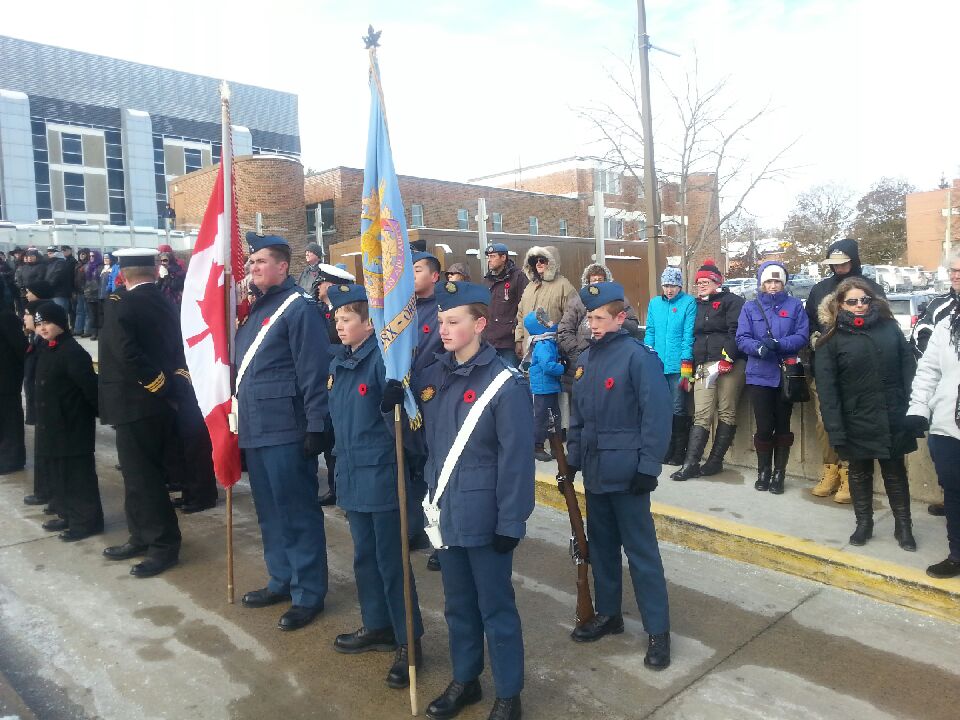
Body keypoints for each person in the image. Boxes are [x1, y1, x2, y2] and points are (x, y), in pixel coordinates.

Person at [415, 280, 534, 720]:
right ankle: (466, 679)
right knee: (457, 606)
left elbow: (517, 460)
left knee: (496, 607)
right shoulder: (434, 376)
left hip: (485, 517)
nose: (443, 329)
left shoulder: (505, 383)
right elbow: (425, 445)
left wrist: (511, 522)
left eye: (453, 321)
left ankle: (508, 694)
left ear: (480, 324)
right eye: (441, 321)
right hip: (444, 512)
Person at [566, 281, 673, 670]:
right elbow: (578, 419)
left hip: (628, 476)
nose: (591, 325)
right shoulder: (586, 361)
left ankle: (658, 632)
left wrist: (648, 467)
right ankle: (609, 614)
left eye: (598, 318)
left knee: (642, 555)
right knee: (602, 549)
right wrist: (572, 462)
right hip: (595, 473)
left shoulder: (638, 358)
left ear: (620, 317)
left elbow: (657, 417)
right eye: (589, 317)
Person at [326, 283, 425, 690]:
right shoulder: (340, 364)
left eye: (347, 319)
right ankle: (378, 626)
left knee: (392, 562)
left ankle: (409, 642)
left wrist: (395, 405)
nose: (339, 326)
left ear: (370, 324)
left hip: (383, 475)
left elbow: (406, 428)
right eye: (336, 319)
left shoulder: (384, 363)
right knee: (365, 558)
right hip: (352, 472)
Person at [235, 233, 331, 631]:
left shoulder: (298, 307)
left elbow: (312, 371)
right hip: (256, 426)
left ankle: (309, 592)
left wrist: (316, 426)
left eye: (260, 262)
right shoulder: (257, 309)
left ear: (282, 266)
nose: (252, 268)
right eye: (251, 263)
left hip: (287, 428)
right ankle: (282, 579)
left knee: (296, 513)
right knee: (270, 512)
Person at [98, 248, 186, 578]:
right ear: (151, 269)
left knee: (143, 478)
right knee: (138, 476)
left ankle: (163, 544)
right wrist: (169, 390)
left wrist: (157, 386)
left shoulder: (123, 303)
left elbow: (125, 353)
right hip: (156, 402)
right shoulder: (163, 299)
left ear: (123, 273)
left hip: (136, 402)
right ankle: (140, 535)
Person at [815, 277, 918, 550]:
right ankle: (864, 523)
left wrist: (914, 410)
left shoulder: (890, 329)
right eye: (852, 301)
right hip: (854, 418)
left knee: (895, 473)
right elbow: (828, 391)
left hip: (891, 415)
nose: (860, 305)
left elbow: (909, 369)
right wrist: (835, 429)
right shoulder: (830, 339)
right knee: (859, 474)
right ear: (840, 305)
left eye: (864, 300)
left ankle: (903, 526)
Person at [805, 239, 885, 502]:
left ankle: (853, 474)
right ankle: (831, 470)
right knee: (825, 421)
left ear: (854, 259)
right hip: (825, 366)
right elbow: (808, 325)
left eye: (844, 262)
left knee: (855, 422)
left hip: (860, 370)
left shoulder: (870, 289)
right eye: (834, 263)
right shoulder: (818, 290)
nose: (839, 268)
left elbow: (883, 326)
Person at [31, 302, 104, 541]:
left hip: (71, 423)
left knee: (77, 476)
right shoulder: (47, 348)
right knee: (59, 473)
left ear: (61, 323)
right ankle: (66, 512)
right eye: (40, 324)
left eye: (48, 323)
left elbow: (89, 388)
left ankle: (86, 521)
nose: (43, 329)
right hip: (52, 423)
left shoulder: (72, 352)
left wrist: (97, 413)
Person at [735, 261, 810, 494]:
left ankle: (780, 473)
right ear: (761, 283)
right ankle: (763, 470)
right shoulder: (750, 307)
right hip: (759, 374)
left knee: (783, 425)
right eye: (769, 281)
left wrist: (780, 344)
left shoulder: (795, 305)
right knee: (764, 425)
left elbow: (802, 336)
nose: (773, 285)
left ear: (784, 283)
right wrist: (757, 348)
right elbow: (741, 337)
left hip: (785, 374)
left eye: (777, 281)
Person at [672, 259, 746, 480]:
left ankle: (715, 461)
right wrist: (689, 367)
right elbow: (689, 334)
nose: (701, 285)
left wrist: (728, 357)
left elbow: (736, 331)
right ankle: (691, 463)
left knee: (726, 410)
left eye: (706, 281)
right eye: (698, 282)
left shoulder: (733, 302)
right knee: (702, 413)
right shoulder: (695, 305)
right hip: (703, 364)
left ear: (717, 282)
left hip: (729, 364)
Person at [907, 310, 960, 578]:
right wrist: (919, 408)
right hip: (948, 423)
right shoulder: (949, 323)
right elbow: (929, 370)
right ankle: (957, 554)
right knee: (954, 490)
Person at [909, 250, 960, 516]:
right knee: (946, 461)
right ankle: (949, 497)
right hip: (945, 401)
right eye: (953, 270)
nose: (955, 275)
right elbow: (919, 340)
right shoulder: (939, 305)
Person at [311, 262, 356, 506]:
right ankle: (335, 488)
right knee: (331, 443)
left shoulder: (343, 312)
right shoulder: (324, 311)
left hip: (343, 379)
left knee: (341, 440)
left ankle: (342, 489)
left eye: (323, 282)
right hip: (327, 382)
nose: (319, 286)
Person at [642, 266, 696, 465]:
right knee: (659, 409)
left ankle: (679, 450)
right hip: (657, 364)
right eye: (665, 285)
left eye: (673, 285)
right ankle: (664, 447)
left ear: (679, 286)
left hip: (677, 366)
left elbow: (688, 337)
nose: (669, 289)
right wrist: (648, 358)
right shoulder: (655, 303)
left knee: (677, 407)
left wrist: (686, 370)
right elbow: (650, 332)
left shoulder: (688, 303)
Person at [410, 250, 443, 561]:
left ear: (434, 276)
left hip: (435, 397)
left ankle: (439, 538)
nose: (411, 274)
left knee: (437, 468)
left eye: (417, 269)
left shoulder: (444, 309)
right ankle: (416, 529)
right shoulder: (402, 310)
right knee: (412, 467)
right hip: (407, 399)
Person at [514, 245, 576, 362]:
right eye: (534, 261)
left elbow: (572, 320)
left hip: (552, 352)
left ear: (552, 262)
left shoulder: (564, 286)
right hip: (528, 350)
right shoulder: (529, 287)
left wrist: (564, 348)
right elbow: (520, 316)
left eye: (542, 260)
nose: (538, 264)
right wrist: (519, 340)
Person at [522, 309, 564, 462]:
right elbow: (548, 366)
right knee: (542, 418)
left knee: (553, 417)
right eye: (545, 320)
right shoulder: (544, 344)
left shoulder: (546, 341)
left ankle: (555, 446)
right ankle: (537, 446)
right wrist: (563, 368)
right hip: (543, 388)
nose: (549, 322)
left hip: (548, 387)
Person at [482, 243, 528, 367]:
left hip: (509, 342)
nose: (489, 260)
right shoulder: (487, 280)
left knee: (511, 378)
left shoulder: (518, 277)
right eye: (488, 257)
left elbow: (524, 308)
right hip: (489, 341)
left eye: (493, 256)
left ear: (503, 258)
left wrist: (520, 339)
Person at [0, 305, 27, 474]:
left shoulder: (6, 317)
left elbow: (21, 348)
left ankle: (12, 459)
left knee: (9, 421)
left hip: (6, 378)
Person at [82, 251, 103, 340]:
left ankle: (100, 333)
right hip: (89, 293)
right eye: (90, 256)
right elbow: (83, 280)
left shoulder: (101, 267)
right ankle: (94, 333)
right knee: (92, 315)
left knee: (100, 314)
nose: (91, 257)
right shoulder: (87, 266)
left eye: (93, 256)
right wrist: (84, 290)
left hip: (99, 293)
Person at [73, 249, 90, 336]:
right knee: (79, 311)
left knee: (87, 311)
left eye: (83, 254)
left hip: (87, 291)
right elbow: (75, 279)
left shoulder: (89, 265)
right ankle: (78, 329)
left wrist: (86, 289)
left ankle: (87, 330)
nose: (81, 256)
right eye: (80, 254)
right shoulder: (78, 265)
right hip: (79, 291)